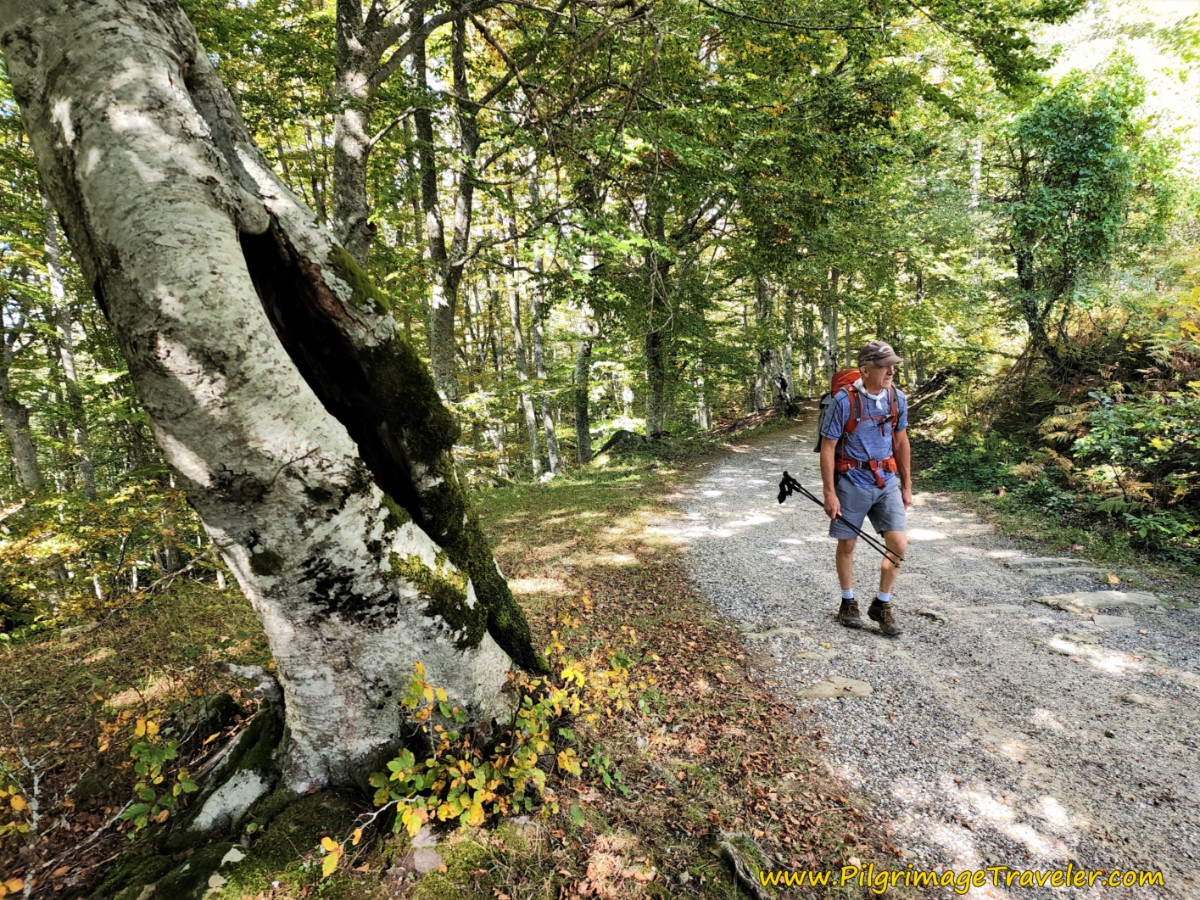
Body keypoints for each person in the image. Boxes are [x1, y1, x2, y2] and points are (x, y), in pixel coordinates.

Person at [819, 340, 912, 637]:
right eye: (885, 366)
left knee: (898, 543)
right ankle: (848, 602)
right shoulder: (844, 401)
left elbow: (901, 441)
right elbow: (828, 447)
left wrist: (907, 483)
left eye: (893, 366)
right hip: (852, 480)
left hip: (887, 480)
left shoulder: (897, 398)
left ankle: (881, 603)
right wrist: (830, 492)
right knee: (847, 544)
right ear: (865, 369)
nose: (891, 371)